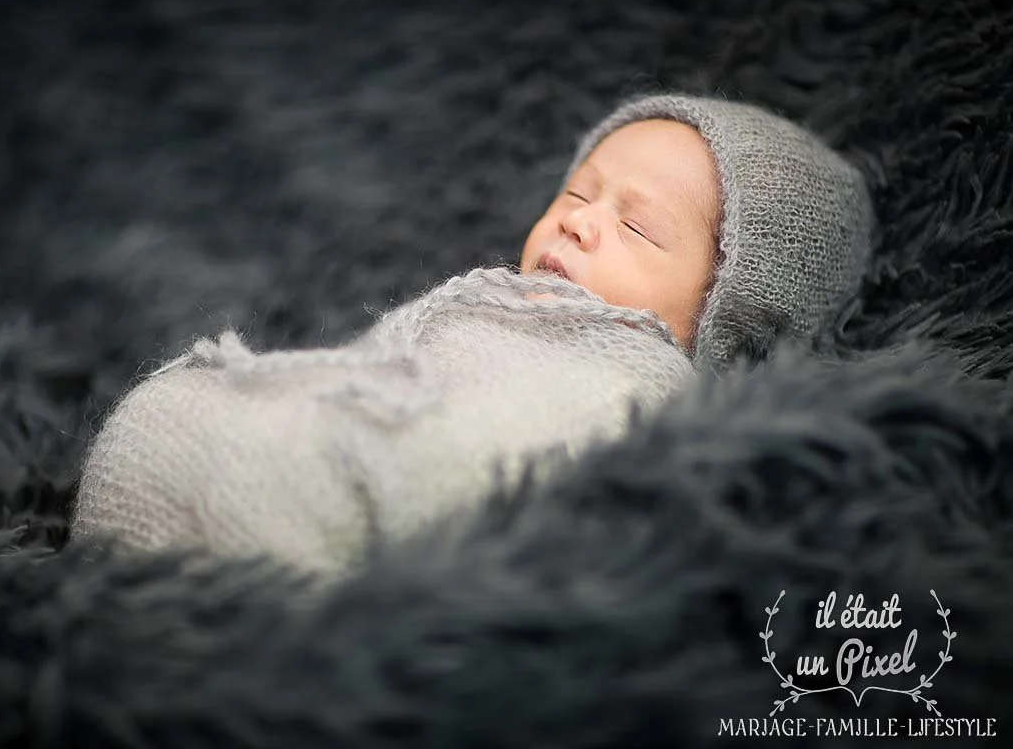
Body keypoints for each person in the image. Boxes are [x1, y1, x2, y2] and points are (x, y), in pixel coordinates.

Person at [70, 93, 876, 577]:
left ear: (724, 313)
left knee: (274, 473)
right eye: (576, 194)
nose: (580, 222)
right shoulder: (496, 309)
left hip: (354, 503)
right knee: (176, 406)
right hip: (308, 449)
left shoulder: (642, 382)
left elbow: (519, 466)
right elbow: (377, 368)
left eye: (638, 227)